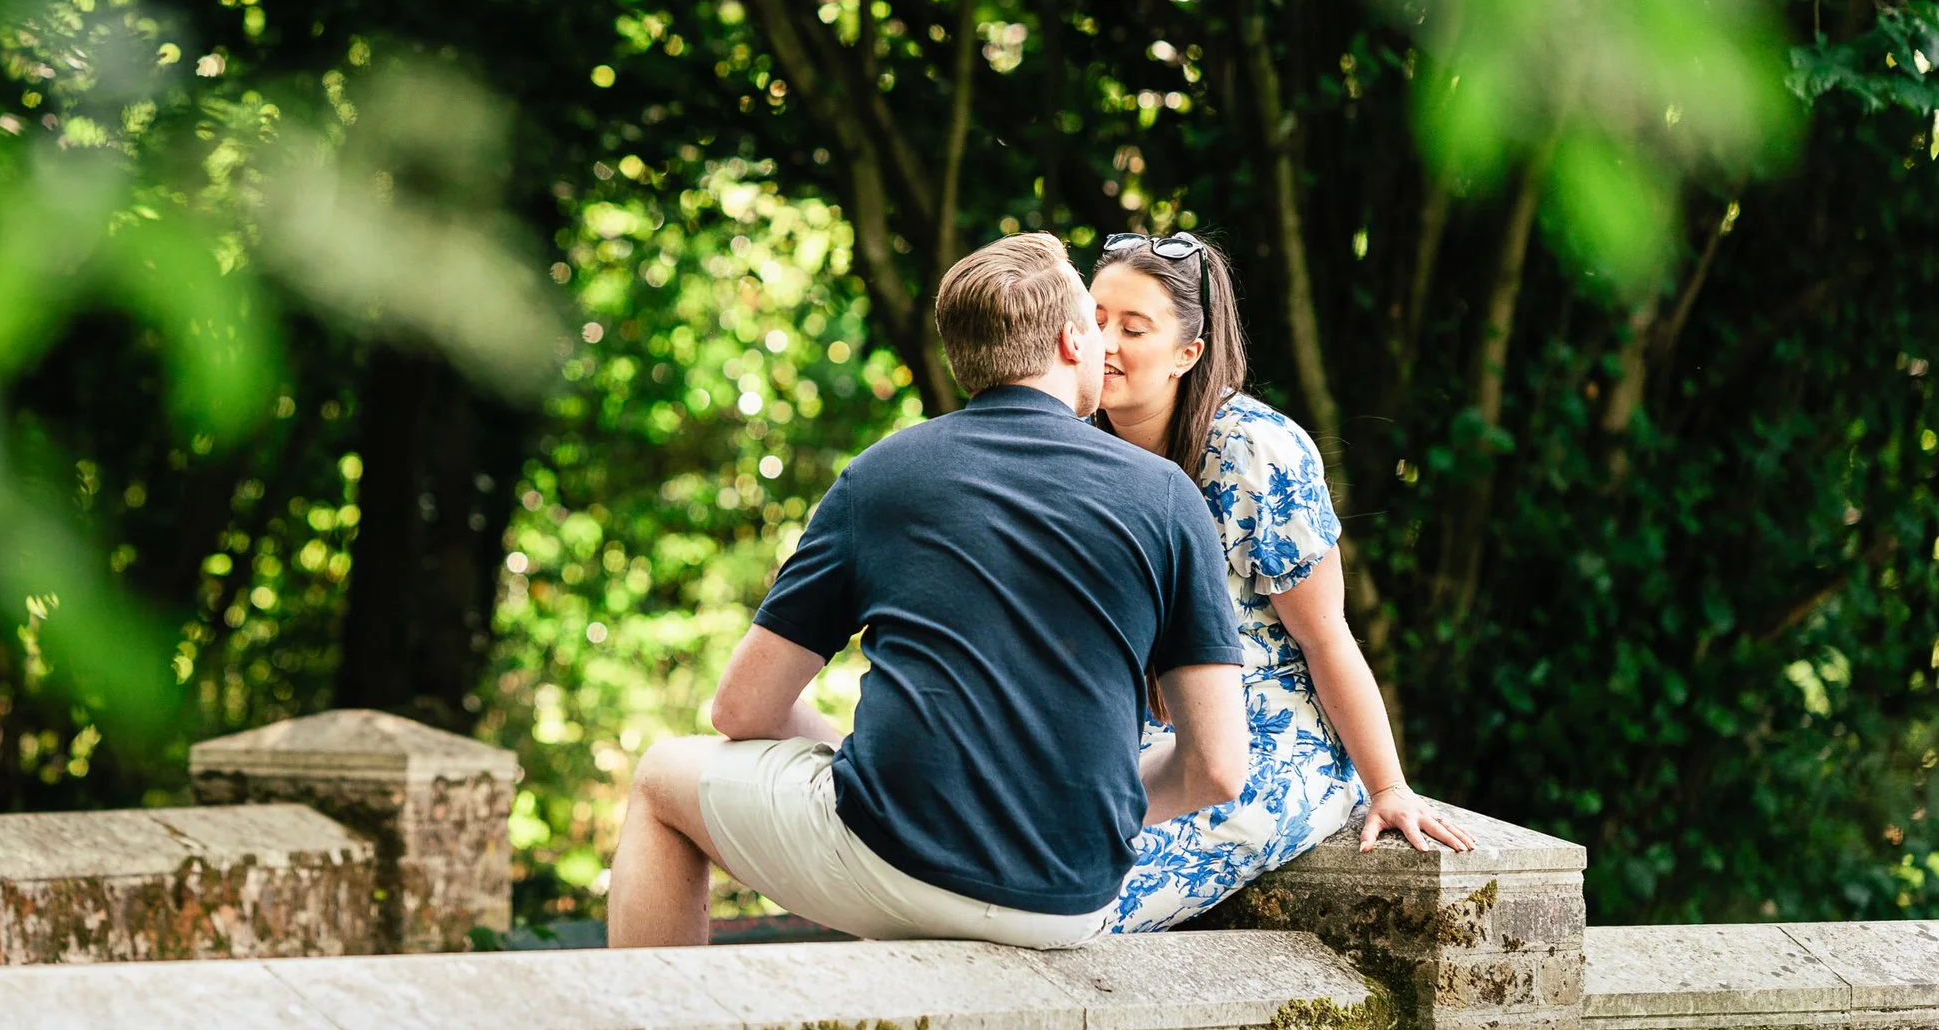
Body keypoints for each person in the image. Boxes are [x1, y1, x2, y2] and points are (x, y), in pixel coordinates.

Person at [607, 232, 1249, 949]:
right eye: (1094, 325)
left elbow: (742, 707)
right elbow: (1218, 769)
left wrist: (871, 761)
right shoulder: (1168, 498)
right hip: (1072, 901)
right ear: (1072, 342)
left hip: (893, 864)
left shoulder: (883, 474)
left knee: (662, 776)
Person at [1088, 230, 1474, 933]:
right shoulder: (1075, 442)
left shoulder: (1255, 451)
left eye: (1132, 327)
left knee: (1081, 897)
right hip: (1125, 742)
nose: (1104, 340)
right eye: (1094, 318)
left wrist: (1387, 786)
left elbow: (1326, 635)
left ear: (1188, 353)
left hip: (1262, 750)